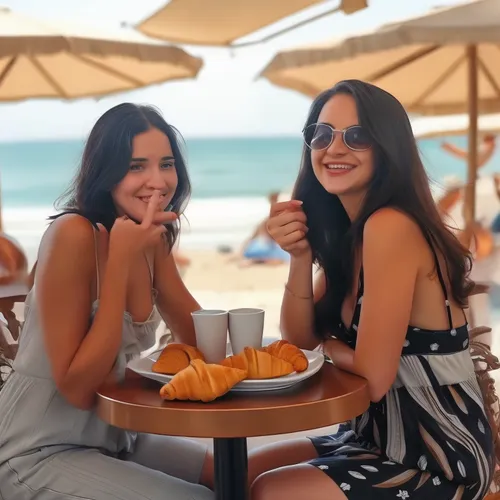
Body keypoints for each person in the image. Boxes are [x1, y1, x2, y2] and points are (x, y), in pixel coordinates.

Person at [248, 80, 495, 500]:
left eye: (357, 136)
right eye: (322, 135)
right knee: (230, 470)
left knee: (272, 491)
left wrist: (328, 347)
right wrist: (300, 256)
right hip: (373, 438)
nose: (334, 148)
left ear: (387, 148)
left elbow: (373, 377)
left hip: (438, 456)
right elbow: (298, 339)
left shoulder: (391, 227)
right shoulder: (353, 234)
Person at [0, 103, 214, 500]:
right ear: (107, 172)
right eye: (136, 167)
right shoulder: (72, 235)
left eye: (166, 164)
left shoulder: (150, 238)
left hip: (115, 438)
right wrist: (119, 265)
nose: (158, 181)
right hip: (34, 451)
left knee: (237, 474)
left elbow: (199, 338)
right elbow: (79, 390)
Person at [237, 191, 291, 267]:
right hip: (267, 247)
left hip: (262, 247)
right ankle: (254, 261)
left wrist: (243, 248)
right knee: (281, 258)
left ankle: (252, 261)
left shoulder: (267, 220)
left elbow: (253, 236)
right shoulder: (270, 220)